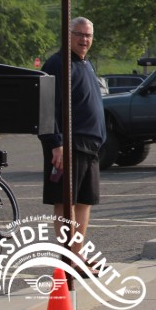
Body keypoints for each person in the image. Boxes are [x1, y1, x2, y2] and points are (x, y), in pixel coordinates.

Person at [39, 16, 107, 273]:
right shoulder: (57, 64)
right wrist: (56, 143)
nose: (84, 39)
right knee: (65, 202)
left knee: (84, 202)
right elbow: (45, 108)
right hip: (68, 145)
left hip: (90, 146)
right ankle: (67, 259)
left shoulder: (86, 64)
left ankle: (77, 257)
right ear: (68, 35)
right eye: (79, 34)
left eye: (88, 35)